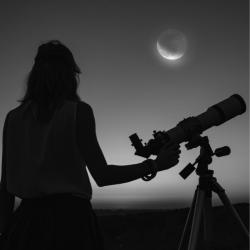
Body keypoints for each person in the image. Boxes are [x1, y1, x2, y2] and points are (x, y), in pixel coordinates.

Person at [0, 40, 181, 250]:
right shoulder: (78, 112)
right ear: (70, 75)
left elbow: (5, 187)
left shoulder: (12, 118)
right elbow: (103, 176)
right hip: (71, 224)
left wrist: (4, 231)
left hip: (26, 225)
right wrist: (155, 165)